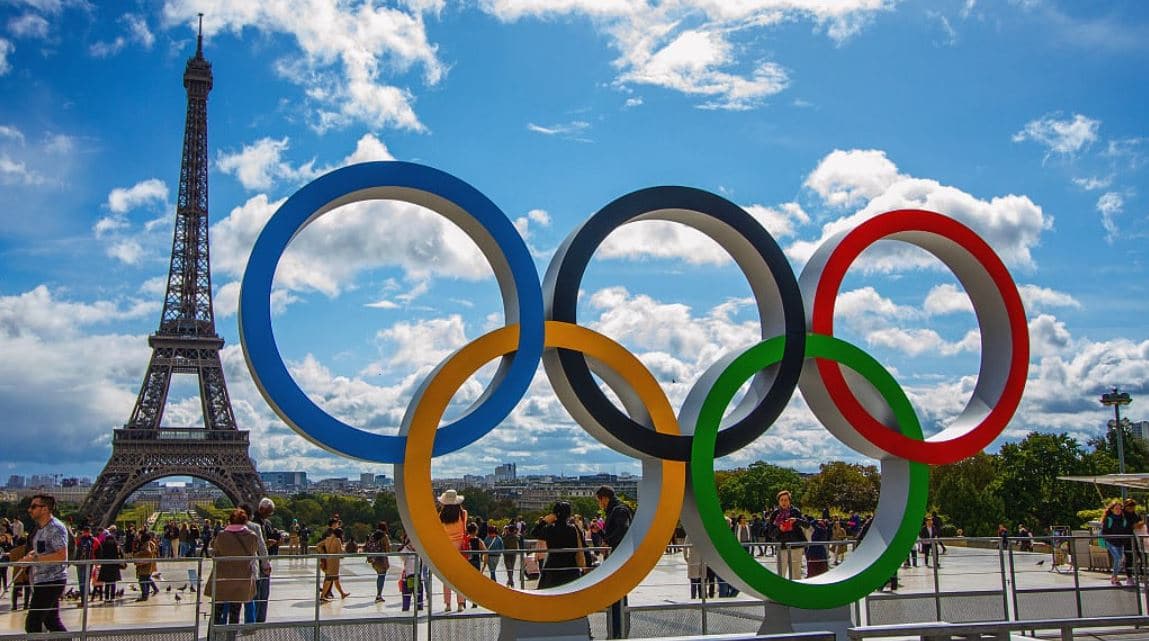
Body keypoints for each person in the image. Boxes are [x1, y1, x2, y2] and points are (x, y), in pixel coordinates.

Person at [209, 509, 259, 639]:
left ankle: (213, 637)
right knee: (235, 613)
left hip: (222, 579)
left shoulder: (221, 535)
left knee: (217, 613)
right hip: (241, 579)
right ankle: (231, 638)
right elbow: (253, 554)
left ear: (230, 520)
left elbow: (215, 552)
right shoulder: (252, 536)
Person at [24, 494, 69, 633]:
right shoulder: (41, 528)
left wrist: (34, 560)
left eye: (33, 506)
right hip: (44, 580)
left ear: (45, 509)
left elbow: (62, 555)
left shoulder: (55, 528)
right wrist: (33, 554)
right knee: (51, 622)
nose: (29, 510)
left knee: (33, 623)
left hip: (51, 581)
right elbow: (45, 550)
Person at [597, 485, 631, 638]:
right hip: (618, 556)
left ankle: (618, 631)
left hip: (617, 557)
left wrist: (607, 542)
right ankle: (617, 631)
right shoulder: (618, 509)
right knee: (617, 597)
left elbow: (622, 530)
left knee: (617, 596)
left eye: (599, 501)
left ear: (604, 498)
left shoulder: (619, 510)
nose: (600, 505)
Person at [532, 501, 585, 589]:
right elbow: (582, 544)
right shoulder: (573, 529)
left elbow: (534, 532)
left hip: (553, 568)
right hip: (570, 568)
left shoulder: (550, 529)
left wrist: (544, 521)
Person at [438, 489, 470, 612]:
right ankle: (461, 603)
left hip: (446, 548)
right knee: (460, 577)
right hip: (460, 547)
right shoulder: (463, 514)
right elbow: (464, 529)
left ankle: (447, 604)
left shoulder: (441, 515)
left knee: (447, 578)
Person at [766, 489, 808, 580]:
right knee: (781, 574)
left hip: (796, 545)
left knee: (796, 574)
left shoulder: (796, 511)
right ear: (778, 502)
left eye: (786, 500)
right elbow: (770, 533)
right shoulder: (775, 514)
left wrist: (796, 520)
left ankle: (796, 592)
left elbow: (807, 525)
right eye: (781, 500)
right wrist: (779, 529)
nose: (784, 502)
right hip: (782, 546)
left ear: (789, 501)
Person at [1102, 499, 1134, 585]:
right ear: (1112, 509)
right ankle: (1114, 577)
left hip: (1120, 542)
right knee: (1118, 558)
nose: (1118, 510)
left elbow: (1125, 530)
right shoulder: (1109, 519)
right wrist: (1111, 539)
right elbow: (1104, 532)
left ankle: (1114, 576)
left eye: (1120, 508)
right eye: (1116, 508)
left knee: (1120, 560)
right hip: (1111, 542)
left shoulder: (1123, 519)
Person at [316, 527, 350, 600]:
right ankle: (322, 596)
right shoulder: (337, 540)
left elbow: (318, 545)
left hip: (328, 560)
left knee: (335, 579)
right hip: (334, 562)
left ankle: (342, 594)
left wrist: (324, 554)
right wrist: (344, 550)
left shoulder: (327, 539)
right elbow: (340, 553)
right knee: (329, 580)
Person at [363, 522, 392, 602]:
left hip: (374, 560)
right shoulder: (384, 536)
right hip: (382, 560)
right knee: (381, 576)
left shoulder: (373, 535)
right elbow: (388, 550)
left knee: (380, 576)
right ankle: (379, 595)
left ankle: (379, 594)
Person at [75, 524, 100, 605]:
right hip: (89, 563)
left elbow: (75, 550)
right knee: (86, 581)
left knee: (81, 582)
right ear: (90, 532)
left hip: (80, 563)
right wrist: (96, 561)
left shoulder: (79, 540)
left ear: (83, 532)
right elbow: (99, 550)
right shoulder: (94, 540)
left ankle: (83, 600)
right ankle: (85, 600)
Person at [97, 529, 125, 604]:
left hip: (105, 565)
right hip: (114, 565)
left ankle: (106, 597)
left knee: (107, 582)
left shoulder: (103, 544)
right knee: (113, 582)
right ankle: (112, 597)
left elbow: (100, 554)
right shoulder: (116, 544)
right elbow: (121, 554)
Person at [134, 531, 159, 601]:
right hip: (148, 564)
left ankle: (144, 595)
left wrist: (138, 554)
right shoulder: (150, 543)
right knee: (147, 579)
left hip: (144, 564)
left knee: (142, 580)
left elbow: (148, 552)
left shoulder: (146, 544)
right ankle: (146, 594)